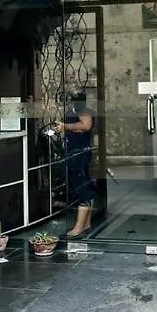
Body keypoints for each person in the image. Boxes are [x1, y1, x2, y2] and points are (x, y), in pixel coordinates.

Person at [55, 87, 96, 236]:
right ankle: (86, 223)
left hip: (79, 154)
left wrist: (65, 126)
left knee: (82, 188)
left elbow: (86, 125)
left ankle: (79, 227)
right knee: (85, 186)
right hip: (76, 153)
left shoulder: (84, 111)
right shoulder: (74, 110)